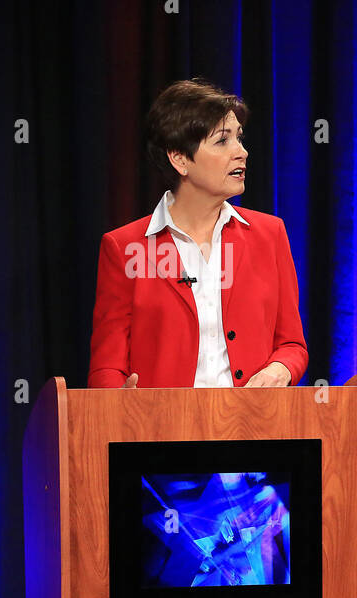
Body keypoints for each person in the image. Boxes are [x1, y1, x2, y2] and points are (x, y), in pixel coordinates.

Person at [88, 78, 307, 388]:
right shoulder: (123, 247)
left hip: (254, 428)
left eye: (239, 139)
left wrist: (280, 370)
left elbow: (292, 345)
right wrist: (120, 407)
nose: (241, 152)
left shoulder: (270, 234)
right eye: (222, 141)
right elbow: (106, 367)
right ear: (180, 159)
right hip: (161, 431)